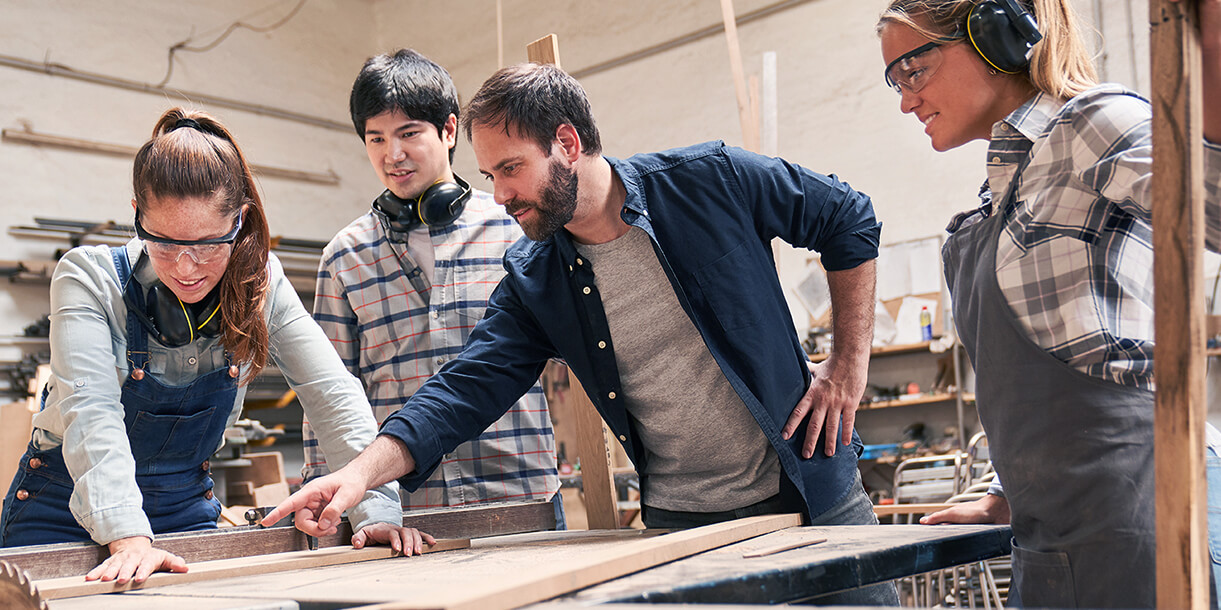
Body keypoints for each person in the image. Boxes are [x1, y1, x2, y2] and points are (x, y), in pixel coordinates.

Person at [266, 62, 898, 604]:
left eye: (512, 168)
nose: (504, 195)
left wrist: (847, 363)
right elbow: (461, 391)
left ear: (567, 142)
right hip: (686, 529)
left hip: (813, 496)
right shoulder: (537, 277)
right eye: (490, 177)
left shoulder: (710, 181)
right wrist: (361, 474)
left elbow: (847, 216)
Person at [877, 0, 1221, 606]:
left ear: (992, 37)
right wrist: (1004, 485)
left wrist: (1214, 48)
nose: (905, 101)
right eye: (895, 81)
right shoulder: (999, 190)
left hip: (1143, 508)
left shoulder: (1094, 124)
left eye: (914, 70)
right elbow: (1036, 372)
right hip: (1050, 533)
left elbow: (1214, 207)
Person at [0, 108, 431, 585]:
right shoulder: (88, 278)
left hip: (182, 509)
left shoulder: (262, 283)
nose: (186, 267)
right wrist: (126, 535)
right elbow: (91, 413)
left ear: (240, 221)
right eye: (164, 243)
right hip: (62, 507)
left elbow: (332, 394)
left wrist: (373, 510)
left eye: (208, 244)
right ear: (137, 216)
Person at [303, 50, 563, 522]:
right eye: (375, 138)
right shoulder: (345, 256)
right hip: (406, 512)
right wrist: (336, 507)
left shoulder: (515, 228)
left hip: (523, 496)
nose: (392, 155)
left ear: (447, 130)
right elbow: (329, 394)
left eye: (408, 134)